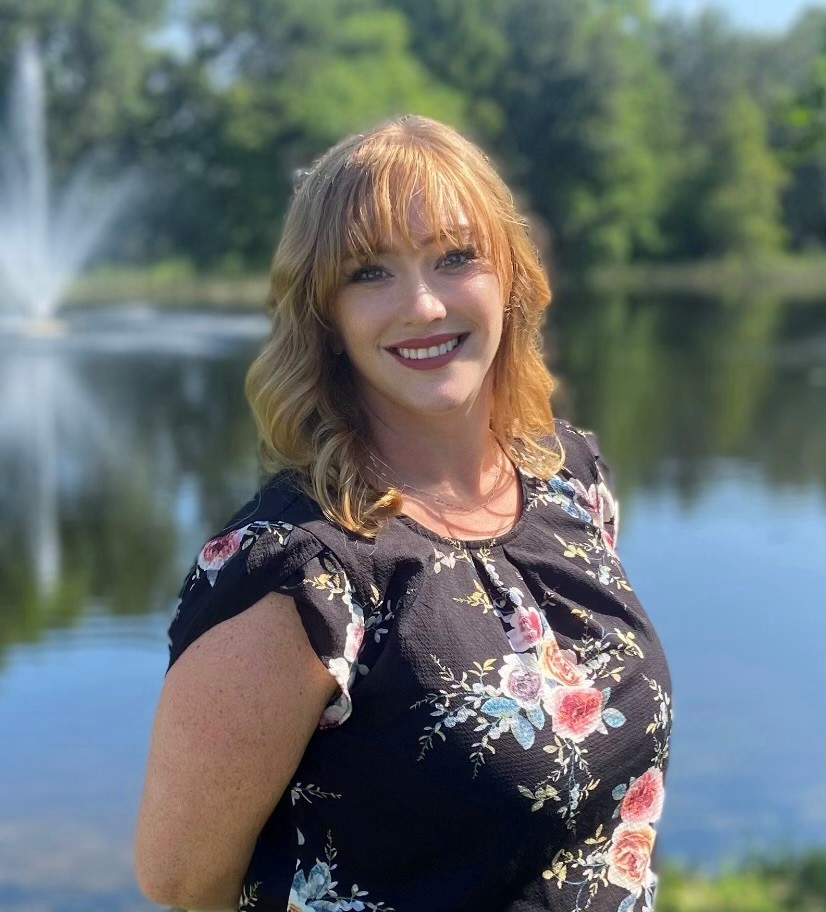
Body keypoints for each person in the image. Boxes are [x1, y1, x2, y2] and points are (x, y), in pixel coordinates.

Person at [135, 114, 673, 912]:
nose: (422, 305)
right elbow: (183, 879)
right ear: (325, 316)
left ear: (509, 277)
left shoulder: (569, 479)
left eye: (455, 258)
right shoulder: (298, 573)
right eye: (369, 272)